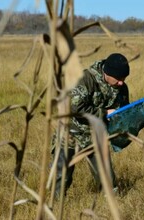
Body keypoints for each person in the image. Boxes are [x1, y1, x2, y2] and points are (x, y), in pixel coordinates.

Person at [52, 53, 130, 197]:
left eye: (124, 79)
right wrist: (105, 113)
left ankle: (112, 207)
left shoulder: (122, 88)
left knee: (107, 179)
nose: (121, 83)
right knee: (61, 176)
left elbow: (123, 112)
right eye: (118, 79)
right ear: (107, 73)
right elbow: (75, 108)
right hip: (70, 134)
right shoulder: (84, 79)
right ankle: (55, 206)